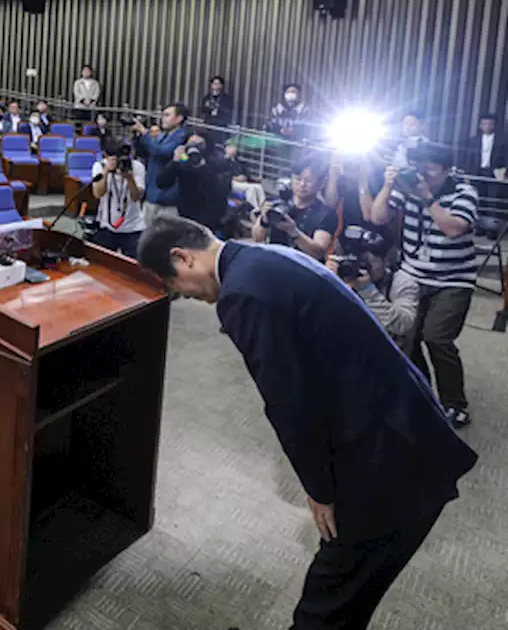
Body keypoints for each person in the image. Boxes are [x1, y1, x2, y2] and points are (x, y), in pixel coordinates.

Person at [135, 215, 478, 630]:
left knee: (329, 600)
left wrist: (319, 490)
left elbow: (289, 404)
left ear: (182, 258)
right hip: (404, 426)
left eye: (173, 287)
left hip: (389, 456)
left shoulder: (243, 294)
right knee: (350, 589)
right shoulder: (264, 256)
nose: (183, 296)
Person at [366, 144, 479, 428]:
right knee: (407, 335)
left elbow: (453, 229)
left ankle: (455, 404)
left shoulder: (465, 193)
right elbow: (377, 217)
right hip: (413, 274)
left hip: (453, 279)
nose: (424, 173)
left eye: (431, 167)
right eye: (420, 165)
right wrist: (389, 183)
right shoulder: (406, 190)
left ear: (447, 170)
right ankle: (422, 393)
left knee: (437, 338)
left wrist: (427, 197)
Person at [326, 231, 420, 344]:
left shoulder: (403, 282)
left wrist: (367, 290)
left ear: (386, 261)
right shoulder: (343, 276)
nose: (362, 268)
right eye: (356, 261)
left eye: (367, 263)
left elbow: (402, 325)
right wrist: (330, 283)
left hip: (390, 350)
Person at [252, 158, 337, 260]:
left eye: (309, 181)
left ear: (321, 183)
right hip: (275, 261)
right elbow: (257, 238)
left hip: (304, 268)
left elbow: (318, 252)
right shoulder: (276, 203)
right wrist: (264, 220)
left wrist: (293, 231)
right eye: (298, 179)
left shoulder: (326, 214)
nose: (302, 185)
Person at [158, 134, 232, 235]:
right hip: (187, 217)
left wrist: (202, 166)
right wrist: (175, 162)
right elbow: (161, 183)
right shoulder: (184, 162)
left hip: (211, 221)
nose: (195, 148)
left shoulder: (216, 162)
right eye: (191, 144)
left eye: (199, 145)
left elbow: (220, 190)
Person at [132, 103, 190, 223]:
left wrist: (145, 132)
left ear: (179, 118)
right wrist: (137, 137)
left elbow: (161, 151)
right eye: (163, 115)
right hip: (152, 194)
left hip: (167, 199)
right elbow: (146, 152)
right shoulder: (163, 136)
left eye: (167, 115)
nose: (163, 118)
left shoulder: (182, 137)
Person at [91, 142, 147, 257]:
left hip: (133, 227)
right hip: (107, 226)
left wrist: (130, 179)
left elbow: (136, 197)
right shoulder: (100, 166)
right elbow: (98, 193)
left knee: (133, 267)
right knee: (104, 267)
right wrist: (106, 171)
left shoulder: (137, 167)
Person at [464, 112, 507, 179]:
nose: (487, 126)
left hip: (495, 173)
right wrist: (467, 174)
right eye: (484, 124)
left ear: (494, 125)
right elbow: (469, 158)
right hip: (476, 172)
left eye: (490, 124)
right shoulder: (473, 140)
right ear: (480, 125)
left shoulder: (502, 141)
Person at [200, 76, 235, 140]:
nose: (215, 86)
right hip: (208, 125)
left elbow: (229, 111)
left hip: (220, 126)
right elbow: (202, 110)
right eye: (213, 84)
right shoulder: (207, 97)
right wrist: (208, 108)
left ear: (221, 85)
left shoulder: (227, 98)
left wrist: (219, 110)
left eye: (217, 84)